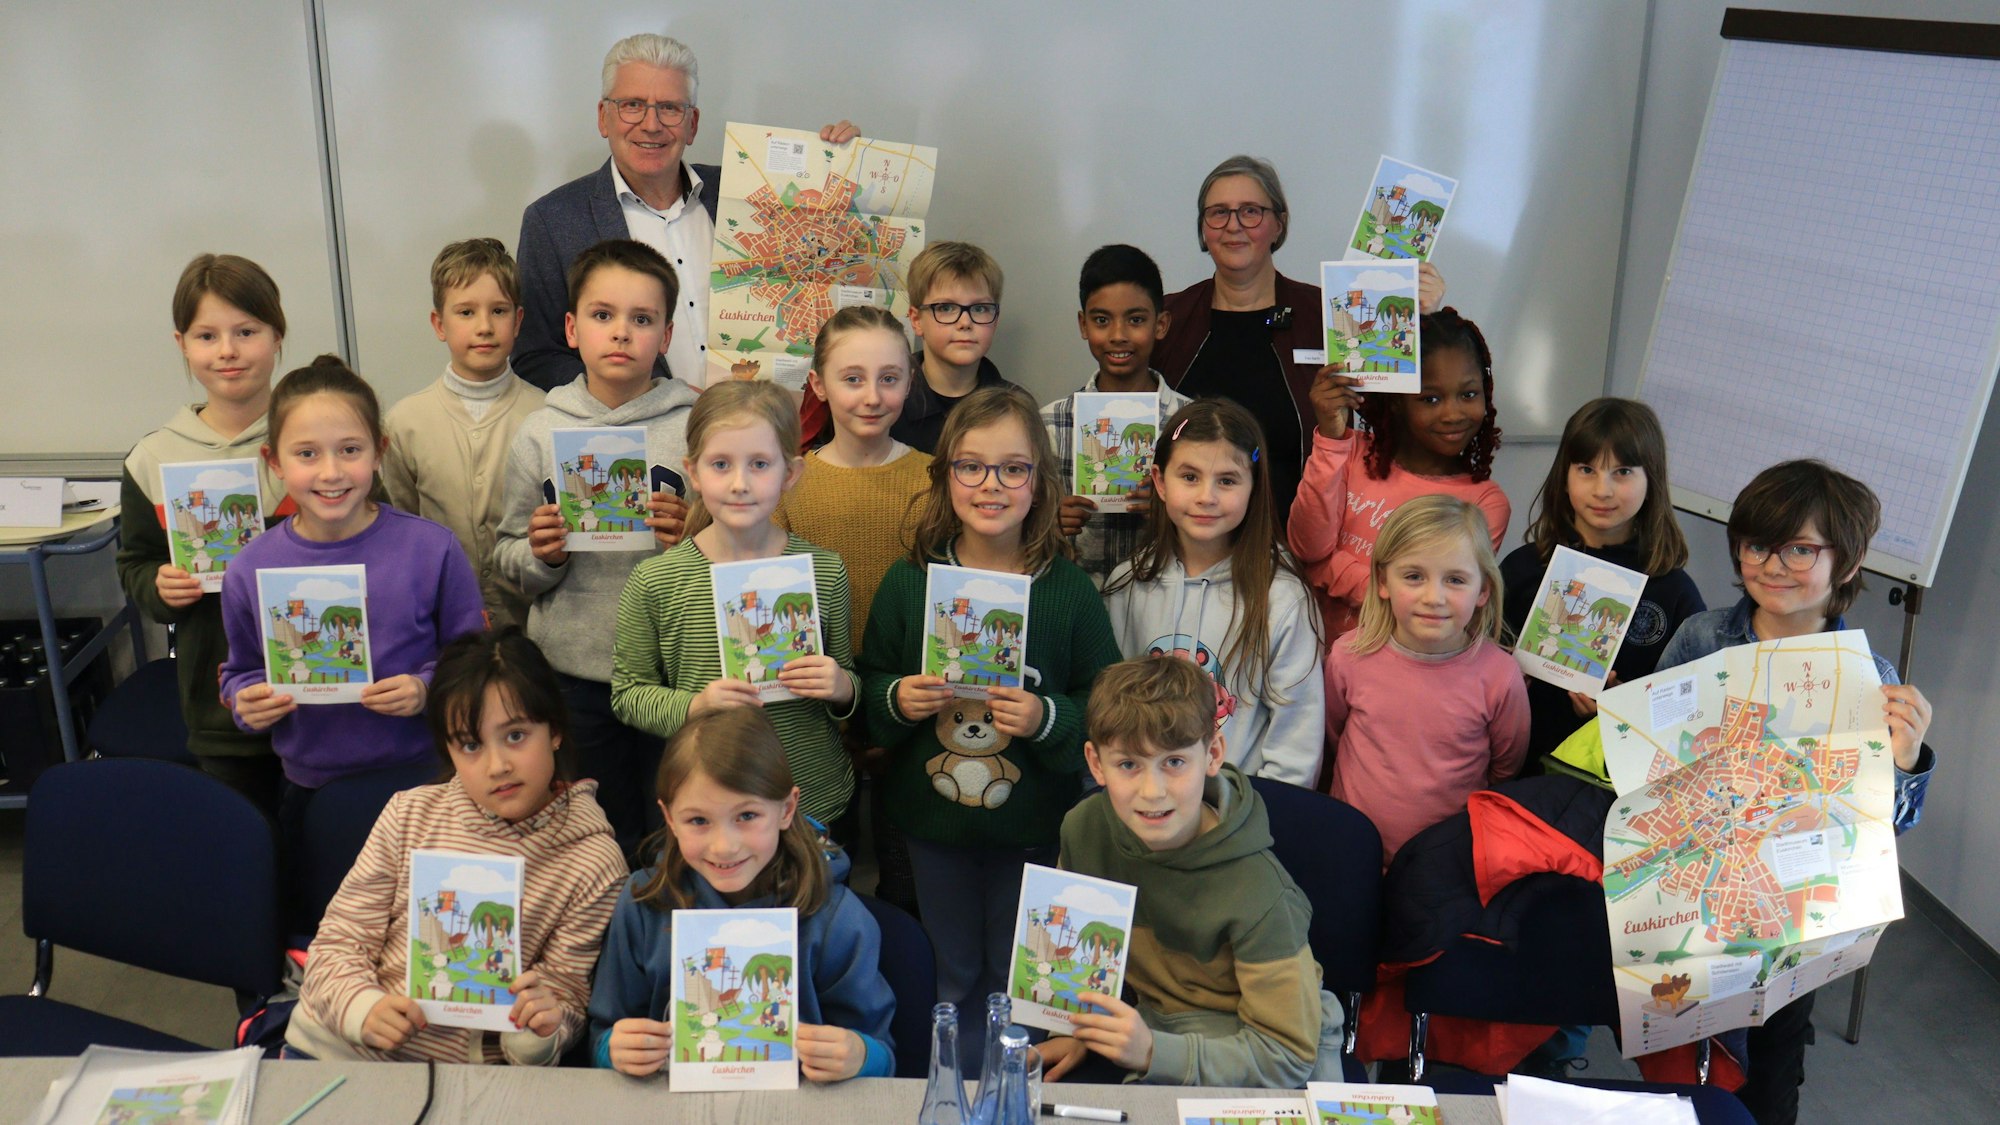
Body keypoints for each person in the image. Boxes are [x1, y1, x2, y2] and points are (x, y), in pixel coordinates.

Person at [1657, 459, 1935, 1125]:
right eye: (1757, 544)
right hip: (1700, 901)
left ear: (1849, 558)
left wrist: (1903, 759)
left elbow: (1885, 827)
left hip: (1795, 919)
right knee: (1686, 1069)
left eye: (1801, 548)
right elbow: (1652, 763)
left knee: (1774, 1072)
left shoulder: (1871, 675)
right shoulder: (1702, 637)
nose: (1774, 565)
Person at [859, 385, 1120, 1065]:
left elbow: (1106, 697)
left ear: (1039, 480)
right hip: (931, 827)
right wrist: (898, 700)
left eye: (1013, 468)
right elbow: (868, 684)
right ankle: (949, 1078)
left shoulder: (1067, 591)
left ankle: (1012, 1083)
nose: (991, 484)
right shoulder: (910, 582)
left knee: (1018, 975)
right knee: (951, 968)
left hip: (1033, 826)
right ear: (946, 476)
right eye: (971, 466)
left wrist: (1046, 714)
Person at [287, 628, 627, 1064]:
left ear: (555, 730)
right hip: (340, 1048)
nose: (498, 765)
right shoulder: (409, 814)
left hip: (467, 1076)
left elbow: (566, 991)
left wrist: (540, 1031)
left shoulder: (593, 861)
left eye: (517, 735)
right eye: (470, 745)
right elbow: (339, 940)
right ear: (449, 750)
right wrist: (361, 1009)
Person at [219, 356, 487, 862]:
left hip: (426, 779)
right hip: (311, 786)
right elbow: (241, 672)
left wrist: (426, 686)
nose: (331, 472)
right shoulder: (250, 568)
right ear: (273, 461)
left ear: (379, 452)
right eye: (306, 453)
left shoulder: (432, 549)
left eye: (349, 450)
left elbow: (473, 662)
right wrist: (245, 703)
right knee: (328, 926)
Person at [1038, 655, 1341, 1087]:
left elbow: (1287, 1057)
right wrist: (1074, 1028)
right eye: (1128, 765)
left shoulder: (1263, 894)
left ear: (1213, 753)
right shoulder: (1083, 829)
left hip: (1256, 1046)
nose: (1152, 791)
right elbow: (1077, 964)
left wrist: (1152, 1053)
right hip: (1156, 1024)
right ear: (1095, 763)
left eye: (1174, 762)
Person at [491, 238, 699, 859]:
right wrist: (543, 555)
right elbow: (505, 556)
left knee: (679, 833)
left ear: (665, 336)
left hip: (675, 676)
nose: (621, 334)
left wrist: (692, 538)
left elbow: (738, 548)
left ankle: (669, 948)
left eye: (642, 319)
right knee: (596, 838)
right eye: (603, 316)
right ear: (571, 327)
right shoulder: (540, 431)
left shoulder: (697, 426)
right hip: (575, 678)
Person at [512, 33, 856, 390]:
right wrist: (650, 395)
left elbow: (828, 272)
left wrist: (846, 166)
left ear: (692, 123)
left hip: (766, 430)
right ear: (604, 117)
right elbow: (536, 357)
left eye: (670, 108)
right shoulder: (552, 221)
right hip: (640, 437)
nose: (651, 124)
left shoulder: (750, 196)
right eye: (632, 105)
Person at [588, 707, 896, 1081]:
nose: (724, 847)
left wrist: (859, 1055)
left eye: (747, 816)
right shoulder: (642, 902)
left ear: (786, 809)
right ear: (669, 819)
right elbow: (604, 1033)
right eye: (698, 821)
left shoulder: (838, 919)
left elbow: (883, 1054)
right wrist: (614, 1050)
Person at [610, 379, 861, 837]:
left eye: (760, 464)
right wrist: (695, 705)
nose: (740, 483)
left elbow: (848, 683)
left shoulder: (824, 572)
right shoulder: (658, 581)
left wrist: (841, 686)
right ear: (694, 472)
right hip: (710, 809)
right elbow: (628, 694)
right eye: (721, 464)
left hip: (813, 799)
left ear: (790, 473)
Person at [1154, 155, 1445, 520]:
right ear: (1203, 227)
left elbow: (1389, 415)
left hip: (1300, 542)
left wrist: (1421, 321)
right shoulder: (1168, 318)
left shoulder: (1330, 314)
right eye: (1218, 212)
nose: (1233, 226)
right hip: (1187, 540)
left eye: (1250, 211)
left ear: (1279, 224)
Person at [116, 254, 292, 813]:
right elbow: (136, 561)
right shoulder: (154, 458)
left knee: (333, 858)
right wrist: (157, 587)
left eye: (247, 331)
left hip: (328, 697)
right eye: (207, 335)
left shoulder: (323, 436)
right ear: (182, 344)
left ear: (277, 334)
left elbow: (376, 543)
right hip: (221, 709)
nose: (228, 351)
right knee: (247, 854)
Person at [774, 305, 933, 914]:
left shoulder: (937, 481)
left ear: (910, 380)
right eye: (852, 378)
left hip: (910, 717)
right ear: (817, 384)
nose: (872, 396)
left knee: (904, 887)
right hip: (811, 722)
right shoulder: (788, 482)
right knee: (819, 893)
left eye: (889, 377)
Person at [1103, 400, 1325, 786]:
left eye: (1227, 480)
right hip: (1140, 804)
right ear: (1159, 481)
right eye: (1189, 477)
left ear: (1253, 486)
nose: (1207, 496)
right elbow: (1109, 714)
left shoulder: (1283, 599)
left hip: (1239, 818)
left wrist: (1254, 821)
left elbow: (1297, 739)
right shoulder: (1126, 586)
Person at [1499, 398, 1705, 766]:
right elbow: (1474, 661)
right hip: (1516, 766)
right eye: (1586, 469)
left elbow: (1692, 711)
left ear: (1651, 480)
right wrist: (1503, 677)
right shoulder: (1523, 570)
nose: (1602, 490)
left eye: (1622, 472)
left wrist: (1624, 710)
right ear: (1564, 475)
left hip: (1613, 779)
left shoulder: (1673, 591)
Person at [1323, 495, 1528, 863]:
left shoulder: (1500, 675)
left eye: (1455, 580)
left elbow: (1505, 766)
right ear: (1383, 581)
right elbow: (1335, 735)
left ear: (1483, 590)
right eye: (1414, 576)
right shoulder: (1348, 657)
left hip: (1445, 861)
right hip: (1351, 846)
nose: (1434, 597)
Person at [1289, 307, 1509, 642]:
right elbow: (1307, 545)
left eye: (1468, 394)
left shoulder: (1483, 503)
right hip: (1313, 666)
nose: (1453, 413)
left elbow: (1431, 603)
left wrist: (1325, 567)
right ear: (1396, 402)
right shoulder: (1349, 452)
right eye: (1431, 399)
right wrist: (1331, 440)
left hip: (1397, 681)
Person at [382, 237, 545, 628]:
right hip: (440, 629)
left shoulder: (547, 415)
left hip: (533, 630)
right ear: (440, 324)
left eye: (499, 311)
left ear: (518, 321)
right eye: (466, 312)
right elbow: (399, 530)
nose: (484, 327)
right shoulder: (404, 423)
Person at [1042, 243, 1191, 583]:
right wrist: (1048, 524)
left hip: (1165, 609)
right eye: (1101, 320)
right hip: (1078, 607)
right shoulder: (1048, 424)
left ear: (1161, 324)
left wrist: (1174, 511)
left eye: (1136, 320)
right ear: (1083, 325)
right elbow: (1019, 528)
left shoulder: (1192, 423)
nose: (1118, 335)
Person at [801, 242, 1017, 453]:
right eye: (946, 307)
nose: (965, 322)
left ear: (995, 319)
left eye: (980, 308)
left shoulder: (1014, 406)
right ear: (916, 320)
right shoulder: (881, 401)